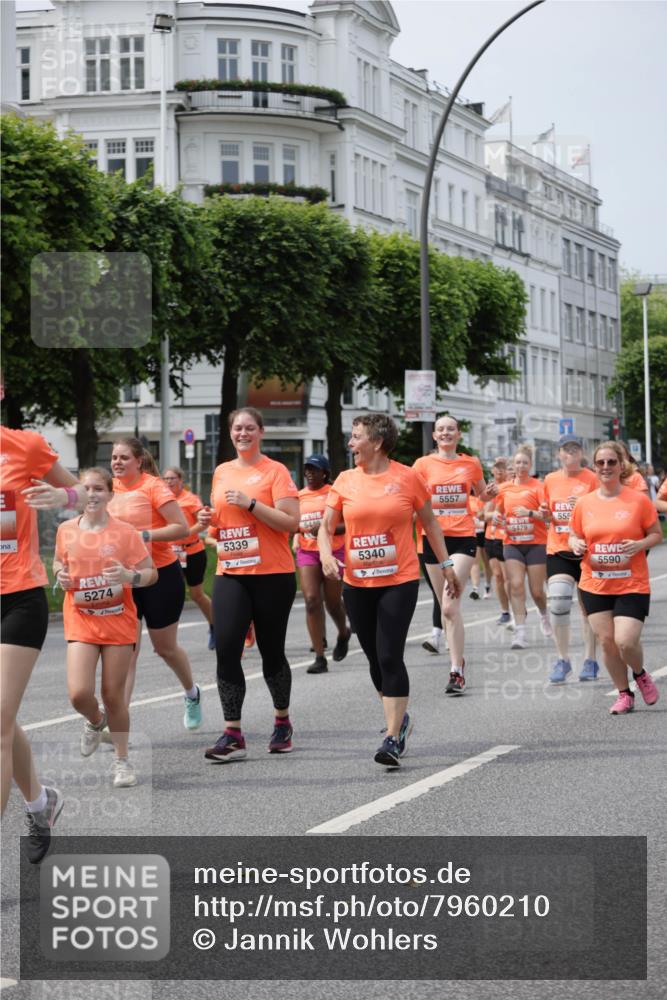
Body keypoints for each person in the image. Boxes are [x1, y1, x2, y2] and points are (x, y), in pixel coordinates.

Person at [320, 413, 460, 768]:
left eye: (356, 437)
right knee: (372, 657)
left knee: (389, 655)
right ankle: (399, 718)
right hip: (357, 583)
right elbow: (325, 526)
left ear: (377, 443)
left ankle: (393, 735)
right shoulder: (345, 480)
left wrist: (446, 566)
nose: (351, 444)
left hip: (399, 580)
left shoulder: (407, 477)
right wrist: (325, 555)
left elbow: (430, 523)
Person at [1, 423, 85, 863]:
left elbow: (89, 494)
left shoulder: (25, 445)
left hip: (18, 597)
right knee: (3, 718)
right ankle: (40, 803)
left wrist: (64, 499)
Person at [197, 407, 300, 761]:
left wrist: (252, 503)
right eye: (237, 428)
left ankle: (282, 721)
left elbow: (291, 523)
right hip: (231, 572)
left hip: (273, 575)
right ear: (230, 433)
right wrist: (206, 520)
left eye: (250, 428)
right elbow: (219, 527)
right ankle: (232, 733)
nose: (243, 433)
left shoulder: (275, 472)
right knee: (226, 649)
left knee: (272, 653)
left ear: (261, 432)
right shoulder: (222, 472)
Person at [53, 468, 157, 787]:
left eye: (100, 488)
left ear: (111, 494)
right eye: (86, 488)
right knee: (78, 693)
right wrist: (60, 575)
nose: (93, 494)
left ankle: (122, 762)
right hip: (82, 620)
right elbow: (59, 562)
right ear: (78, 495)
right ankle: (96, 722)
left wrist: (130, 578)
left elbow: (151, 573)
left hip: (118, 621)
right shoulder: (66, 530)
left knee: (114, 696)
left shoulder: (125, 533)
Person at [108, 438, 202, 730]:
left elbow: (181, 528)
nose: (118, 462)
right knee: (128, 653)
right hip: (125, 580)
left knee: (165, 648)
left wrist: (142, 536)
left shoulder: (153, 487)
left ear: (138, 461)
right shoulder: (108, 489)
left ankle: (192, 692)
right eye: (114, 457)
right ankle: (119, 726)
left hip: (160, 575)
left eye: (124, 457)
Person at [569, 441, 662, 715]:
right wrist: (575, 543)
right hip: (594, 583)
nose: (606, 467)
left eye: (612, 462)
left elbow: (656, 533)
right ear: (594, 467)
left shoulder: (638, 500)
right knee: (607, 642)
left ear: (622, 466)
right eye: (601, 463)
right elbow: (574, 534)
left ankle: (641, 673)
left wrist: (640, 545)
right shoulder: (585, 503)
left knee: (625, 641)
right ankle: (624, 694)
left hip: (631, 582)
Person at [412, 414, 495, 695]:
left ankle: (456, 671)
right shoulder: (422, 465)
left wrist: (490, 493)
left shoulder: (470, 463)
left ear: (458, 434)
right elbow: (413, 499)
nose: (446, 433)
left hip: (462, 539)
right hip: (432, 541)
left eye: (451, 429)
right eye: (441, 430)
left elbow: (482, 496)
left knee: (448, 605)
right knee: (448, 609)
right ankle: (457, 664)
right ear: (434, 436)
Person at [542, 435, 599, 683]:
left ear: (582, 453)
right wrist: (545, 514)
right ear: (559, 454)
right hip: (559, 549)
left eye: (576, 449)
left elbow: (603, 511)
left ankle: (590, 659)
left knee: (588, 611)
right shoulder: (551, 479)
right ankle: (563, 660)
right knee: (558, 603)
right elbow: (548, 515)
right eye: (566, 450)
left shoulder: (593, 479)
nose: (571, 454)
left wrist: (586, 506)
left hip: (587, 551)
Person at [295, 454, 350, 675]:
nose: (309, 473)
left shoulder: (334, 493)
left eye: (314, 469)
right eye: (307, 468)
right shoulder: (298, 496)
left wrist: (326, 528)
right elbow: (293, 523)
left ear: (324, 473)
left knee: (333, 602)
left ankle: (343, 633)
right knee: (310, 600)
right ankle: (319, 656)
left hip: (333, 550)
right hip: (307, 551)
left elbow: (348, 523)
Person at [495, 444, 551, 650]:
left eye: (525, 462)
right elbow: (498, 513)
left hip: (536, 542)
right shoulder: (504, 488)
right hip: (512, 544)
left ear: (530, 464)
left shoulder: (538, 486)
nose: (521, 466)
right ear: (513, 465)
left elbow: (546, 516)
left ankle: (544, 615)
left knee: (537, 592)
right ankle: (520, 633)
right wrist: (499, 520)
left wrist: (529, 513)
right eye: (517, 462)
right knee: (516, 585)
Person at [162, 466, 215, 650]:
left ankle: (215, 626)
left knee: (197, 595)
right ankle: (167, 638)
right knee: (170, 594)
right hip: (171, 554)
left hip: (192, 552)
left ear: (180, 480)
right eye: (166, 479)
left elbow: (203, 524)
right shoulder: (164, 501)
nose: (168, 482)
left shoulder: (190, 500)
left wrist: (185, 533)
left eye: (172, 479)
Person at [483, 457, 512, 626]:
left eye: (503, 468)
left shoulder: (512, 488)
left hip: (506, 537)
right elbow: (484, 514)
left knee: (508, 578)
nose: (500, 471)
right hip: (491, 537)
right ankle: (505, 611)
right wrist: (493, 515)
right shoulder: (491, 489)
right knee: (498, 576)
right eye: (497, 468)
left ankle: (516, 608)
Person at [468, 493, 492, 600]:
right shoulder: (467, 499)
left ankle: (487, 585)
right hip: (474, 533)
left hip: (485, 532)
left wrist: (482, 513)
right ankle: (475, 589)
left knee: (487, 562)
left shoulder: (484, 499)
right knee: (475, 562)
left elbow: (486, 514)